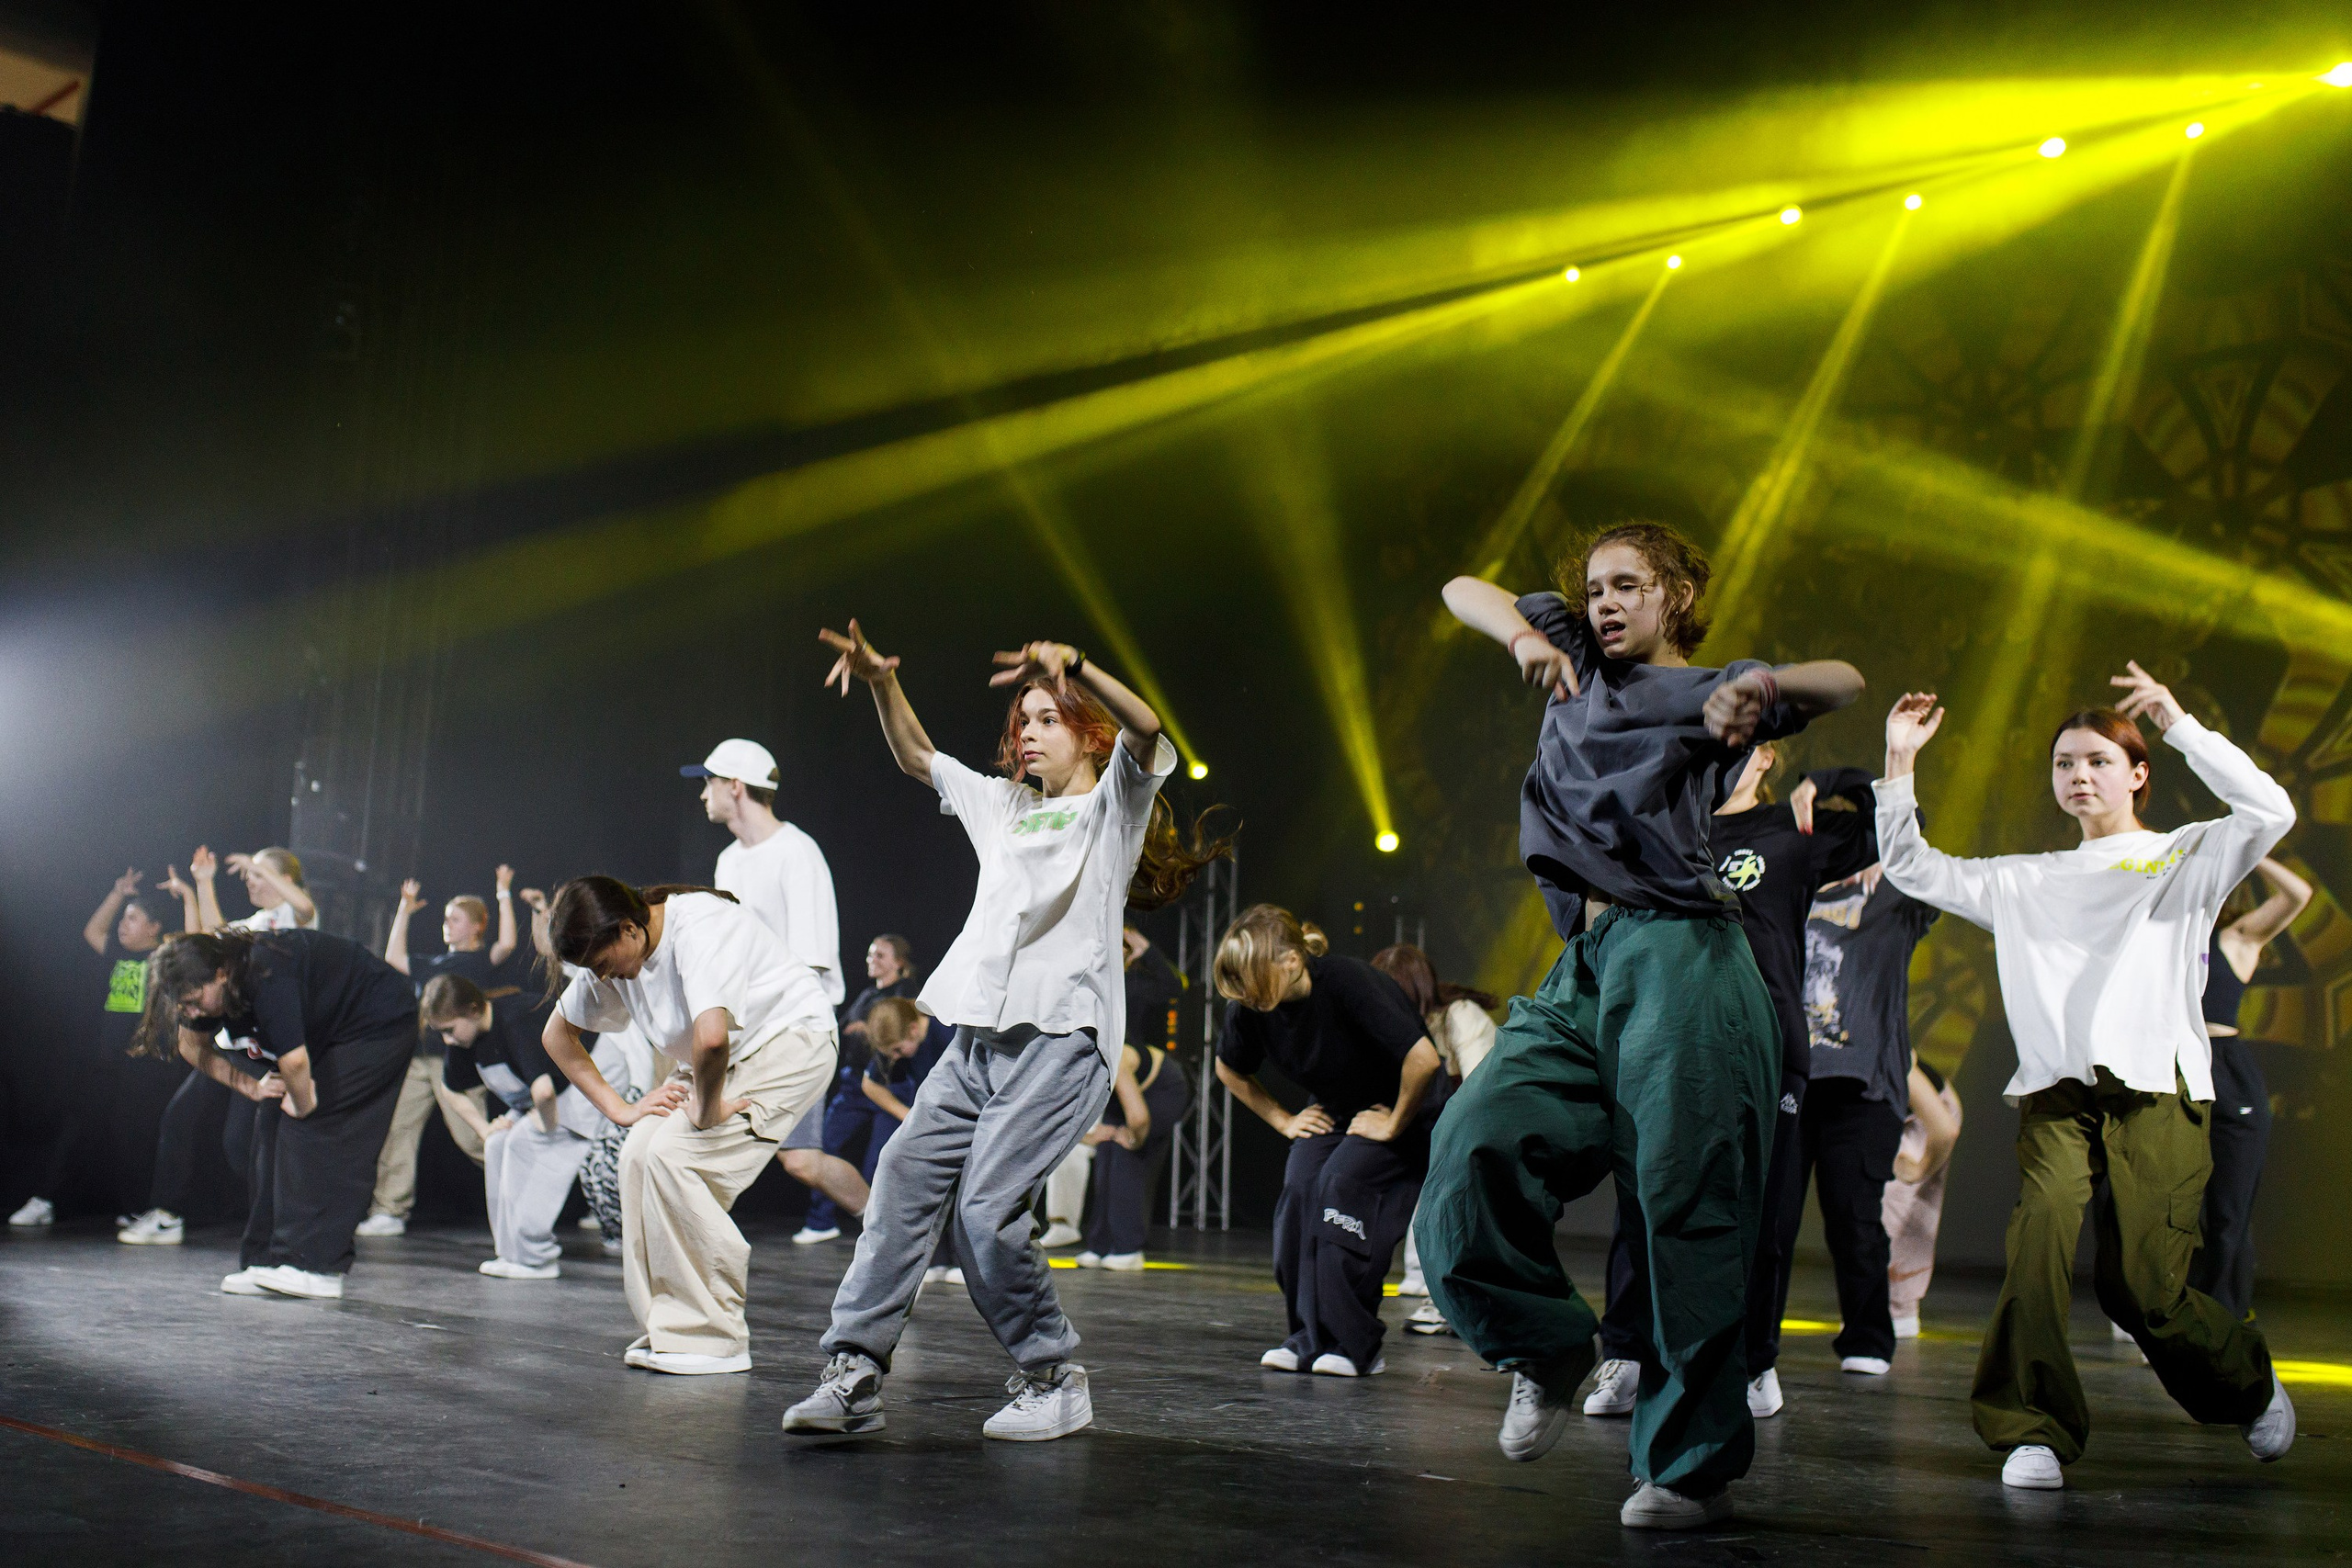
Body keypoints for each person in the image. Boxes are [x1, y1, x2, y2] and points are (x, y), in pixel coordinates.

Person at [1418, 522, 1862, 1530]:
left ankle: (1685, 1464)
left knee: (1684, 1209)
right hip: (1586, 958)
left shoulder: (1708, 691)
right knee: (1471, 1143)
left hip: (1685, 959)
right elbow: (1459, 584)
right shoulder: (1570, 658)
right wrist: (1524, 639)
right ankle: (1547, 1349)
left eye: (1628, 586)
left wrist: (1757, 694)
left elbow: (1839, 678)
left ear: (1674, 595)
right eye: (1594, 588)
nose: (1606, 602)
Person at [783, 623, 1226, 1442]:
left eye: (1046, 718)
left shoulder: (1112, 805)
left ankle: (1053, 1375)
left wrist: (1079, 667)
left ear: (1086, 733)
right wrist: (883, 681)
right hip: (977, 1040)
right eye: (1021, 720)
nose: (1026, 731)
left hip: (1064, 1040)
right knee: (901, 1181)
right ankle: (853, 1373)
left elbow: (1149, 728)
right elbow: (919, 757)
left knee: (985, 1211)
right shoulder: (1004, 806)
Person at [1874, 666, 2298, 1491]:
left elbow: (2271, 811)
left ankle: (2246, 1382)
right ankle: (2031, 1427)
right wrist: (1899, 762)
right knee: (2036, 1245)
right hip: (2057, 1094)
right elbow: (1914, 868)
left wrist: (2178, 723)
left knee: (2141, 1287)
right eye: (2065, 762)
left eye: (2099, 760)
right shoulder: (2025, 877)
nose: (2079, 775)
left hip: (2156, 1087)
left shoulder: (2184, 857)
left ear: (2138, 774)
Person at [1586, 754, 1881, 1420]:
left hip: (1767, 1037)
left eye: (1740, 743)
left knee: (1764, 1210)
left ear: (1767, 753)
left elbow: (1895, 825)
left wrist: (1830, 781)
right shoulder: (1668, 831)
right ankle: (1629, 1355)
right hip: (1670, 1039)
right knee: (1647, 1197)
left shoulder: (1789, 828)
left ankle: (1753, 1361)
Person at [540, 876, 838, 1374]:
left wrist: (706, 1110)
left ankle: (713, 1337)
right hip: (719, 1059)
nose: (603, 980)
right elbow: (557, 1036)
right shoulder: (615, 956)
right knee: (637, 1153)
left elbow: (713, 1037)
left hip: (790, 1042)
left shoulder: (696, 925)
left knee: (678, 1159)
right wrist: (619, 1109)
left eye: (602, 965)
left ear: (630, 929)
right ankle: (669, 1325)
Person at [133, 926, 419, 1299]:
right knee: (268, 1128)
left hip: (377, 1022)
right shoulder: (204, 988)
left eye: (194, 1000)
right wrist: (251, 1086)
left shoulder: (266, 972)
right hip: (325, 1031)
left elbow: (296, 1063)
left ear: (222, 974)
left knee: (316, 1129)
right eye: (183, 1005)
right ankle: (265, 1261)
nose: (192, 1011)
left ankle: (316, 1267)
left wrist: (304, 1105)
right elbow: (193, 1047)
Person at [1216, 908, 1442, 1374]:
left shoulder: (1348, 982)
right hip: (1340, 1110)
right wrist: (1282, 1119)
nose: (1244, 993)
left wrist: (1394, 1124)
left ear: (1292, 962)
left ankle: (1356, 1346)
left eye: (1252, 978)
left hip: (1405, 1111)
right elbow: (1229, 1067)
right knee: (1300, 1189)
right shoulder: (1252, 1006)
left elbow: (1423, 1060)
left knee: (1342, 1186)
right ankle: (1306, 1337)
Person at [684, 738, 865, 1245]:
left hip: (796, 1028)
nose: (704, 794)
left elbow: (808, 962)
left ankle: (894, 1235)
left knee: (804, 1162)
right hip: (751, 1028)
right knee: (705, 1147)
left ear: (735, 787)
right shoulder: (728, 861)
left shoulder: (797, 853)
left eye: (710, 782)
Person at [8, 872, 185, 1232]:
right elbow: (93, 931)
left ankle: (138, 1210)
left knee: (133, 1135)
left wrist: (188, 893)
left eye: (133, 919)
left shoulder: (165, 958)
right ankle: (44, 1199)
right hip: (106, 1060)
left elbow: (194, 939)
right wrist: (117, 894)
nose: (123, 925)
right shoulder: (117, 952)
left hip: (145, 1064)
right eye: (124, 918)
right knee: (78, 1127)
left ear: (154, 928)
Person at [422, 975, 624, 1279]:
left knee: (524, 1144)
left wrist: (546, 1128)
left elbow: (543, 1091)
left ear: (474, 1010)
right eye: (441, 1033)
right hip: (549, 1092)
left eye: (449, 1031)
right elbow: (450, 1089)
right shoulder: (465, 1039)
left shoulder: (515, 1022)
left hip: (592, 1072)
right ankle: (511, 1253)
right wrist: (483, 1129)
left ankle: (537, 1258)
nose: (447, 1041)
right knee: (498, 1143)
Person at [358, 867, 523, 1237]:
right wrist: (404, 908)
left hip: (456, 1062)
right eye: (446, 917)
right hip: (419, 1061)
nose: (446, 923)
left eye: (455, 918)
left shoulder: (479, 961)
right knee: (398, 1130)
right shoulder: (431, 963)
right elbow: (394, 957)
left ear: (478, 926)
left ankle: (523, 1195)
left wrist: (502, 893)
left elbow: (508, 944)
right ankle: (389, 1210)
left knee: (473, 1138)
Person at [2189, 857, 2310, 1321]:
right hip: (2170, 1070)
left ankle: (2222, 1318)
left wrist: (2251, 851)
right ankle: (2159, 1310)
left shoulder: (2236, 939)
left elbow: (2297, 895)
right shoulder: (2159, 942)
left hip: (2226, 1073)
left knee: (2227, 1214)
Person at [1365, 942, 1497, 1328]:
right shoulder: (1391, 1028)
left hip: (1474, 1127)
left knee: (1449, 1192)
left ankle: (1448, 1296)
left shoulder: (1460, 1016)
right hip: (1428, 1128)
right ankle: (1421, 1281)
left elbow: (1479, 1092)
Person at [1044, 924, 1184, 1250]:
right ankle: (1087, 1237)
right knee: (1091, 1146)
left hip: (1146, 1082)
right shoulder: (1082, 986)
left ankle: (1124, 1246)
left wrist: (1142, 946)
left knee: (1123, 1149)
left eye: (1122, 948)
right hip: (1108, 1083)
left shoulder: (1133, 984)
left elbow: (1173, 987)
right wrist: (1098, 1133)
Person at [1075, 1013, 1192, 1271]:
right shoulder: (1069, 1068)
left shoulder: (1114, 1057)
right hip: (1126, 1099)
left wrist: (1133, 1140)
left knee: (1125, 1157)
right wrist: (1092, 1137)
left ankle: (1129, 1249)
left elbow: (1138, 1118)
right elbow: (1058, 1119)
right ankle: (1100, 1245)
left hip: (1162, 1090)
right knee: (1105, 1152)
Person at [1883, 1055, 1962, 1337]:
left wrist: (1920, 1169)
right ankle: (1885, 1308)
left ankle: (1898, 1311)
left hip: (1930, 1116)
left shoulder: (1892, 1054)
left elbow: (1944, 1129)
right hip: (1898, 1112)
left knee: (1896, 1201)